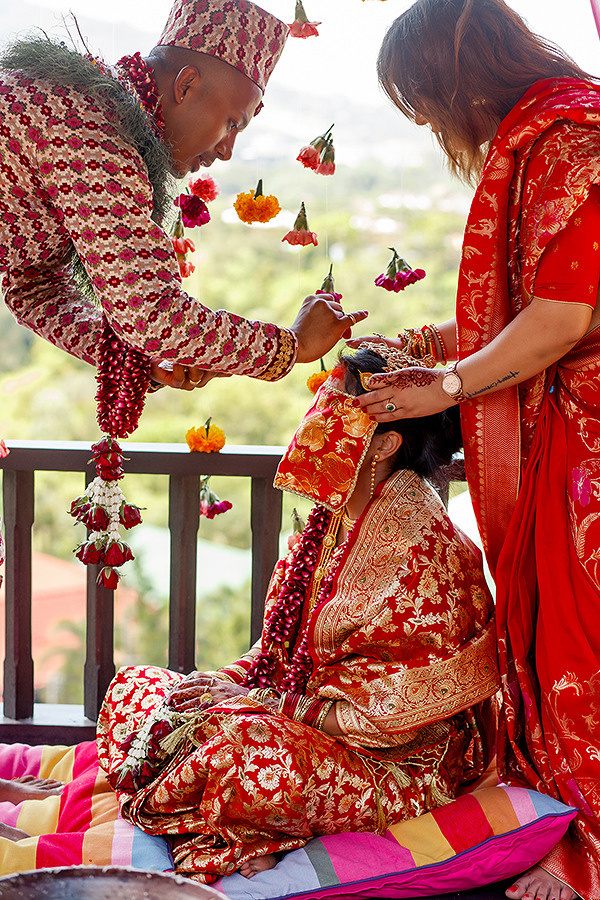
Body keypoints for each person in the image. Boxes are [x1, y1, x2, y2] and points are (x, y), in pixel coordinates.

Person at [351, 1, 600, 897]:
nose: (424, 118)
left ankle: (588, 850)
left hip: (588, 443)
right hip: (571, 426)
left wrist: (450, 385)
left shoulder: (565, 138)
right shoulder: (560, 129)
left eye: (419, 95)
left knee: (583, 636)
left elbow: (566, 316)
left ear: (456, 77)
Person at [96, 345, 499, 883]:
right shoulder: (331, 518)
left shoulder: (422, 549)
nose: (315, 414)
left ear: (385, 442)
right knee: (140, 687)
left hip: (390, 758)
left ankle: (235, 820)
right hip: (294, 716)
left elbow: (393, 718)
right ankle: (229, 816)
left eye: (336, 402)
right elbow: (277, 651)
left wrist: (262, 704)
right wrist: (223, 684)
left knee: (238, 749)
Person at [0, 0, 366, 396]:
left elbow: (33, 285)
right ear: (186, 85)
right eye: (231, 123)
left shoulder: (92, 115)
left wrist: (146, 356)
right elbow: (152, 314)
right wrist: (293, 345)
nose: (227, 151)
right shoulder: (87, 126)